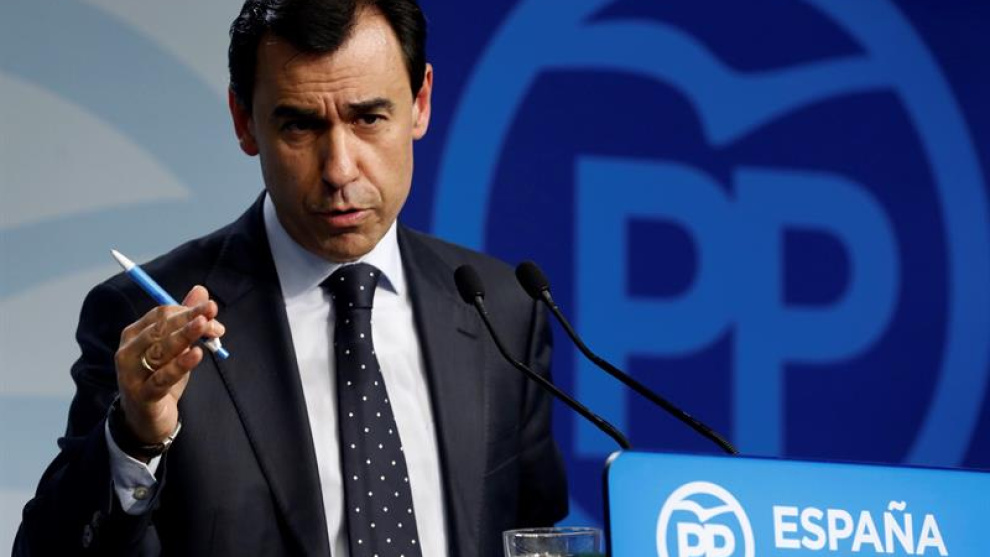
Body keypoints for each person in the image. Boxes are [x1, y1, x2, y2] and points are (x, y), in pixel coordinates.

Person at [13, 0, 568, 554]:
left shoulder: (502, 308)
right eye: (300, 125)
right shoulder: (146, 321)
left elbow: (539, 534)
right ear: (244, 121)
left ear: (420, 103)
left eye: (368, 118)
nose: (339, 169)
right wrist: (135, 439)